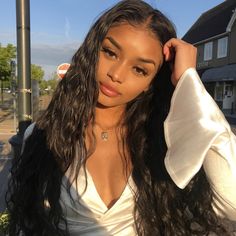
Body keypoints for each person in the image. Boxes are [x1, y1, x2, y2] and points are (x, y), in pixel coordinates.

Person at [6, 0, 236, 235]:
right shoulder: (43, 135)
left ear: (150, 83)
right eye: (110, 52)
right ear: (92, 50)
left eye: (140, 70)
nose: (115, 75)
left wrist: (189, 81)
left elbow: (232, 202)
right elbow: (28, 223)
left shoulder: (162, 141)